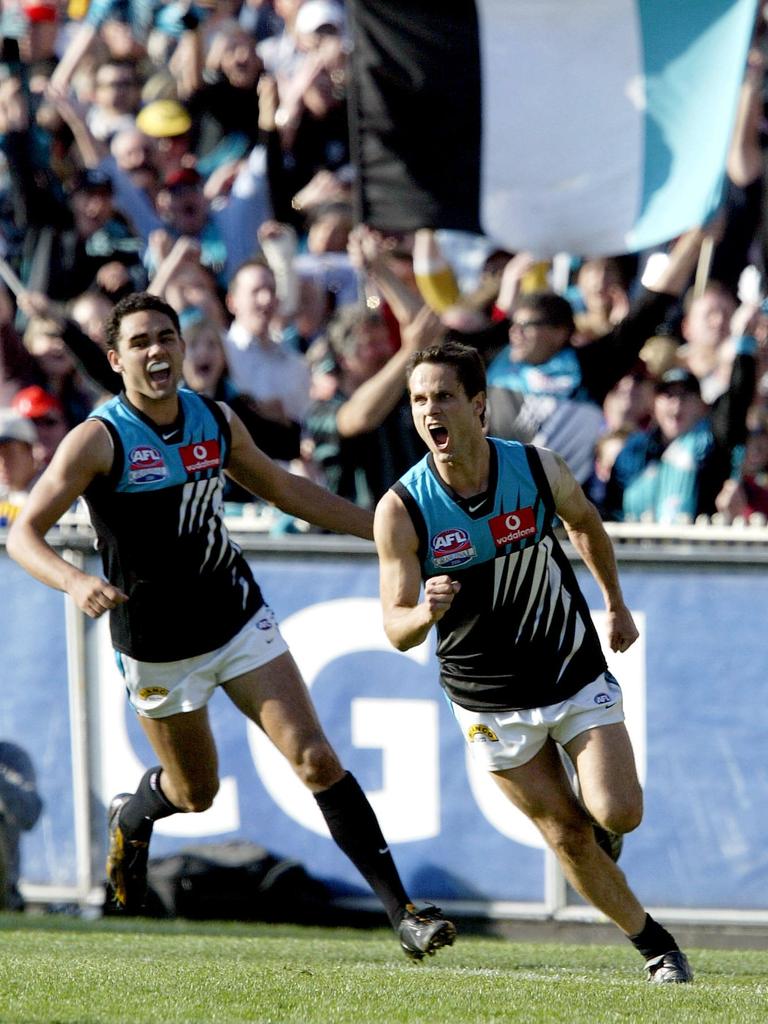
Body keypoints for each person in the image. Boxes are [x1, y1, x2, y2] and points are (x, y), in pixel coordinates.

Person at [6, 291, 455, 961]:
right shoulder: (98, 439)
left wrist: (383, 530)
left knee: (315, 756)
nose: (158, 350)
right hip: (156, 645)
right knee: (195, 791)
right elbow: (24, 535)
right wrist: (75, 581)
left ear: (185, 348)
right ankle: (135, 815)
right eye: (140, 342)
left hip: (235, 615)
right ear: (115, 359)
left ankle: (405, 914)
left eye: (167, 336)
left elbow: (284, 489)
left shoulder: (214, 420)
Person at [373, 340, 692, 983]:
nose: (429, 411)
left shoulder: (535, 468)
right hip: (487, 696)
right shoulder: (401, 508)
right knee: (565, 833)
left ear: (479, 406)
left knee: (617, 811)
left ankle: (609, 837)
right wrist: (424, 614)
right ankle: (658, 949)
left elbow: (584, 523)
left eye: (443, 396)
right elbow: (395, 627)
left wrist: (616, 605)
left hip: (569, 668)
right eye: (418, 399)